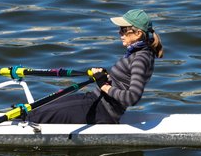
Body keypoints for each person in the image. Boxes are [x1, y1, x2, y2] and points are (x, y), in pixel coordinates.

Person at [27, 8, 164, 125]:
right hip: (95, 100)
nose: (119, 33)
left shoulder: (140, 59)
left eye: (123, 30)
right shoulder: (138, 53)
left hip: (103, 111)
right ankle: (25, 115)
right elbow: (124, 81)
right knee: (44, 106)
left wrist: (104, 85)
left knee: (37, 116)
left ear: (138, 33)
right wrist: (105, 76)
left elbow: (132, 97)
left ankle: (23, 122)